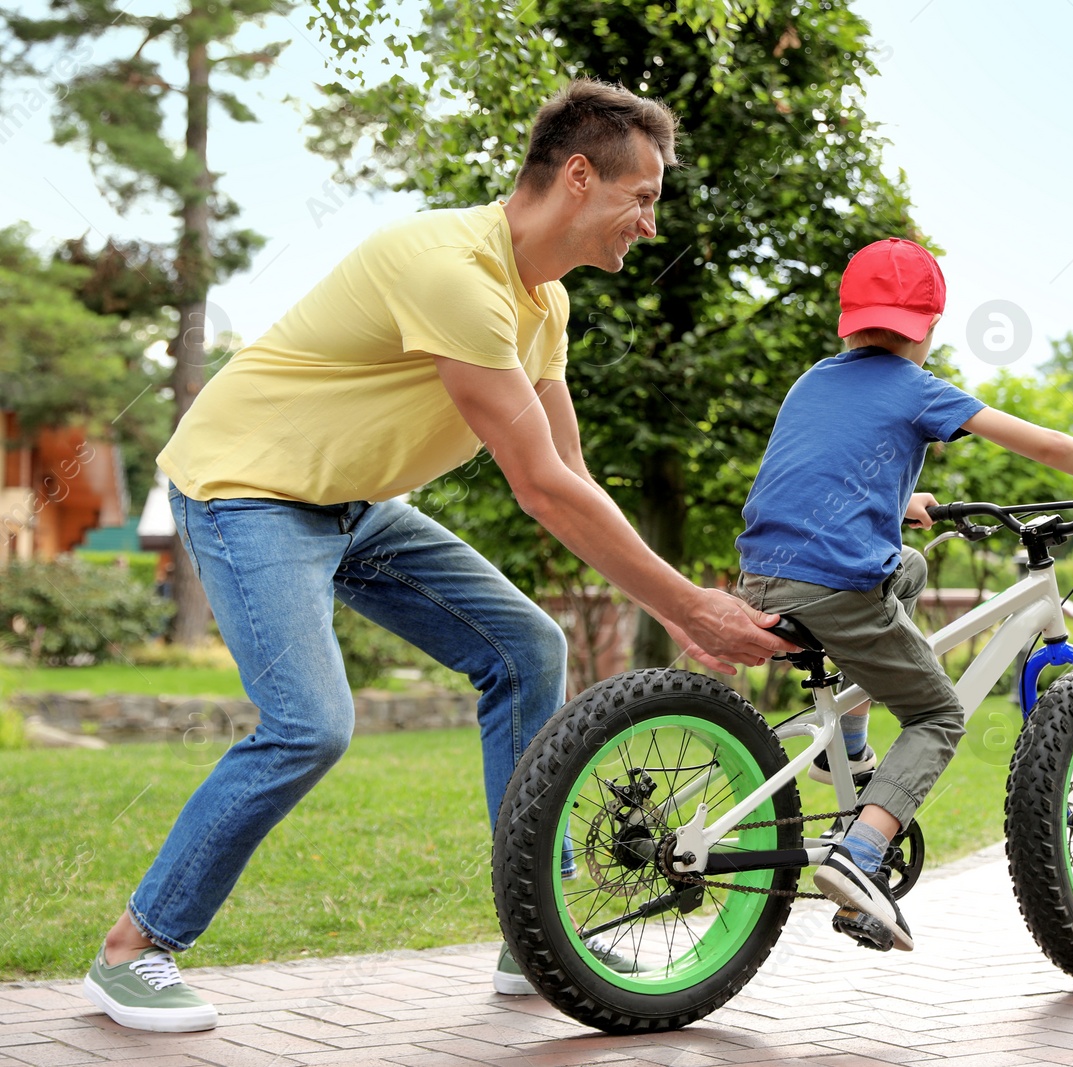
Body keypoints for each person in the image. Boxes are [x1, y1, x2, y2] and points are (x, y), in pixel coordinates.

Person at [80, 78, 793, 1033]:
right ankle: (136, 946)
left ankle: (533, 931)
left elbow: (571, 472)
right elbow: (536, 485)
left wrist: (670, 600)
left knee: (528, 649)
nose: (650, 224)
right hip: (244, 490)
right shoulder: (451, 268)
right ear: (579, 176)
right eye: (646, 195)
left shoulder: (545, 305)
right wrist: (687, 607)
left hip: (354, 503)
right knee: (310, 724)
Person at [734, 238, 1073, 952]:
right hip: (837, 589)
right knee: (938, 711)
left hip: (764, 574)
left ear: (847, 323)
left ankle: (843, 747)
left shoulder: (813, 379)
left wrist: (899, 496)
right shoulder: (918, 388)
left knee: (906, 567)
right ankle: (862, 854)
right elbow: (1047, 446)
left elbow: (817, 468)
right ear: (929, 327)